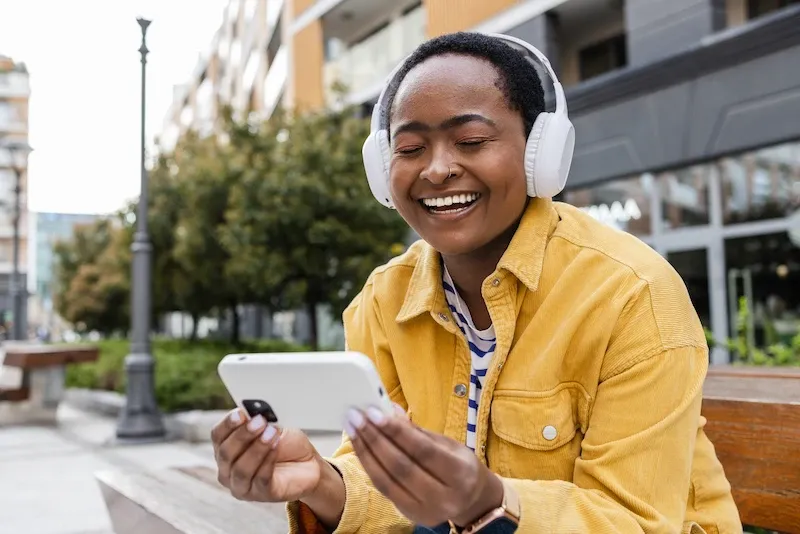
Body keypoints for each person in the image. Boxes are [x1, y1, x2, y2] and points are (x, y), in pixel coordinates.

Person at [211, 32, 741, 533]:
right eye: (411, 148)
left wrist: (489, 503)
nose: (438, 169)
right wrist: (320, 482)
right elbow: (386, 482)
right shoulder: (381, 301)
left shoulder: (634, 295)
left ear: (540, 153)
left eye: (471, 139)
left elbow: (634, 521)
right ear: (382, 169)